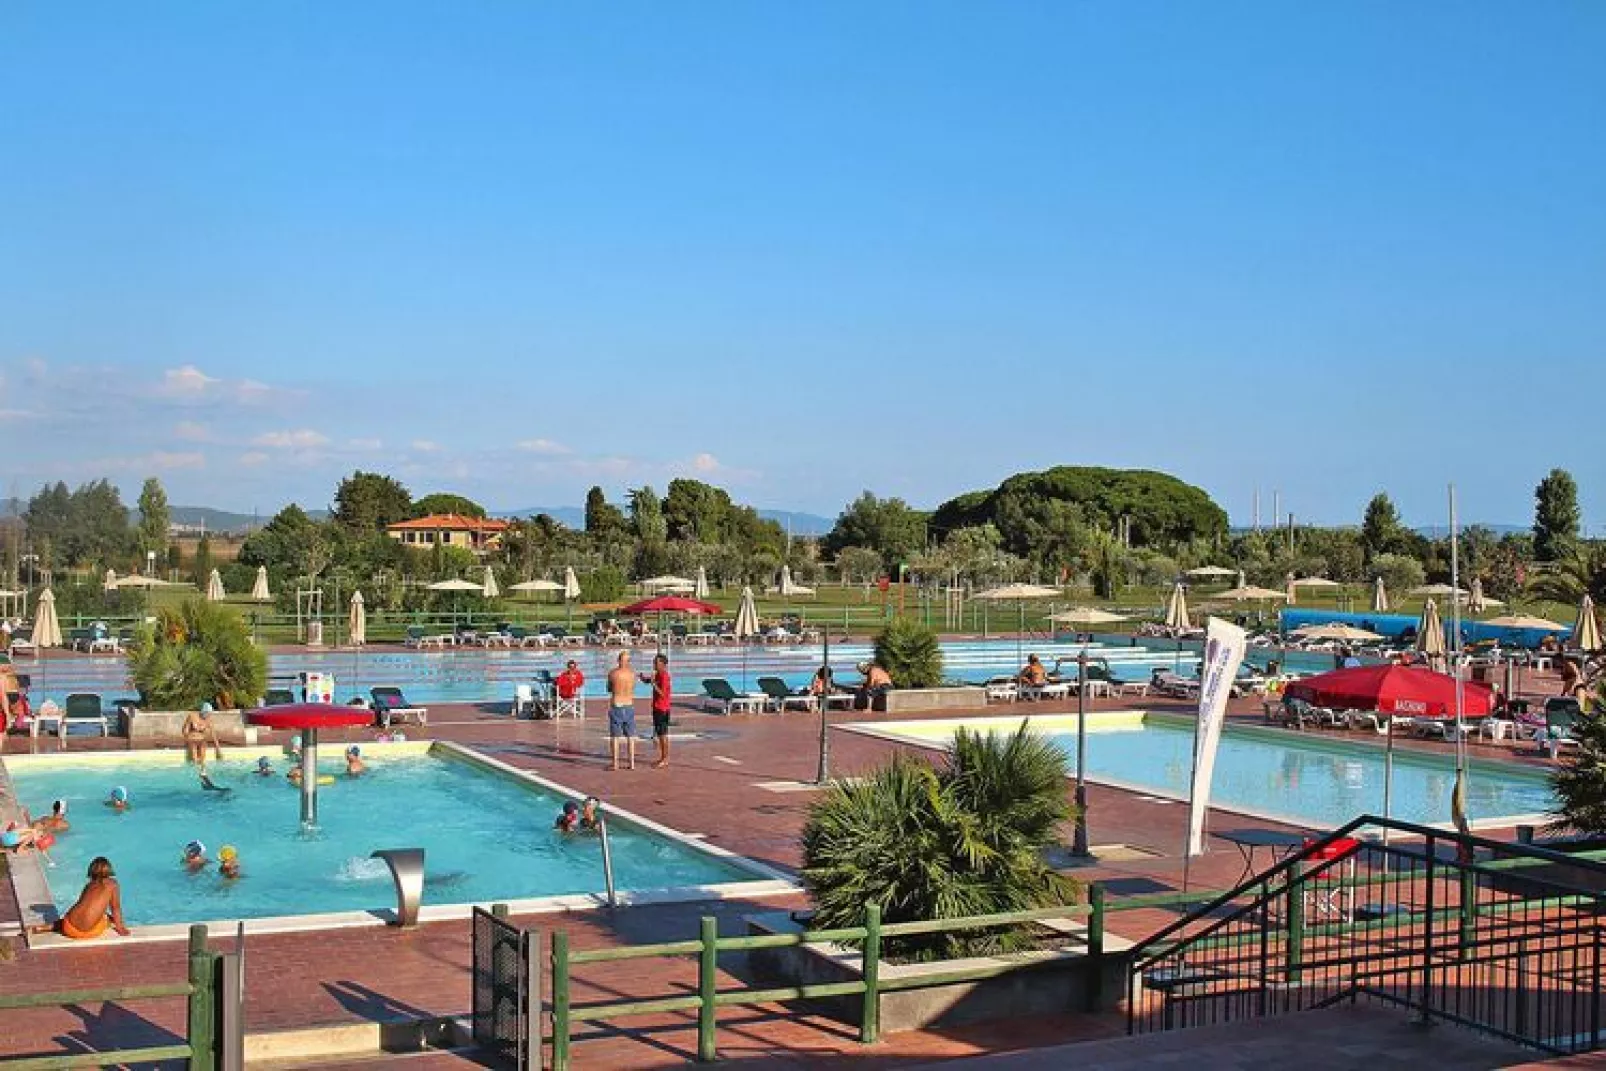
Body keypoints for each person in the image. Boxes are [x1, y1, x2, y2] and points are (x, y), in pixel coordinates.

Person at [33, 857, 129, 939]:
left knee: (81, 915)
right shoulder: (113, 884)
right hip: (85, 933)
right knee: (108, 919)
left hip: (68, 926)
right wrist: (120, 927)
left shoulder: (89, 885)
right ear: (109, 869)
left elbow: (82, 904)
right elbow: (115, 907)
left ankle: (44, 927)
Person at [606, 652, 637, 771]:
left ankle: (615, 763)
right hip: (629, 704)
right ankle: (632, 763)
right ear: (628, 661)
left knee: (615, 737)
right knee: (631, 736)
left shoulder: (613, 674)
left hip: (617, 705)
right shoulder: (632, 674)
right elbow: (632, 688)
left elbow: (609, 689)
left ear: (618, 660)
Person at [641, 653, 672, 769]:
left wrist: (653, 683)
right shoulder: (658, 674)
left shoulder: (664, 676)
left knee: (663, 734)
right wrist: (644, 679)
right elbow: (650, 681)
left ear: (662, 664)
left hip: (662, 709)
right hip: (657, 707)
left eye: (656, 662)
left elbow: (662, 693)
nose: (653, 664)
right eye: (653, 662)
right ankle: (663, 757)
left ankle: (665, 758)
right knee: (660, 734)